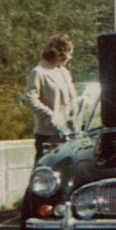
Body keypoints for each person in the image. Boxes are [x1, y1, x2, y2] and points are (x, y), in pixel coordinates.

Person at [23, 33, 78, 161]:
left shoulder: (64, 72)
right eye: (67, 54)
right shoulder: (39, 71)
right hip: (48, 135)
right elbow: (29, 99)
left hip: (68, 133)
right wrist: (51, 116)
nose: (69, 58)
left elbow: (70, 100)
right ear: (59, 53)